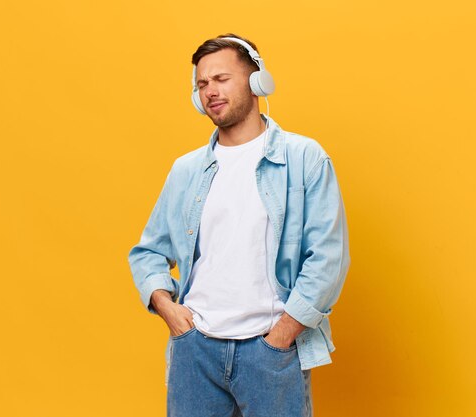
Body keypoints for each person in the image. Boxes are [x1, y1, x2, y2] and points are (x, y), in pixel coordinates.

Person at [128, 33, 350, 417]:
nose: (210, 91)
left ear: (256, 80)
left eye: (222, 78)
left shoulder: (303, 158)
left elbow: (328, 257)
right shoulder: (186, 170)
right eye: (202, 83)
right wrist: (170, 312)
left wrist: (281, 337)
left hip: (270, 351)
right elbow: (149, 252)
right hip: (195, 351)